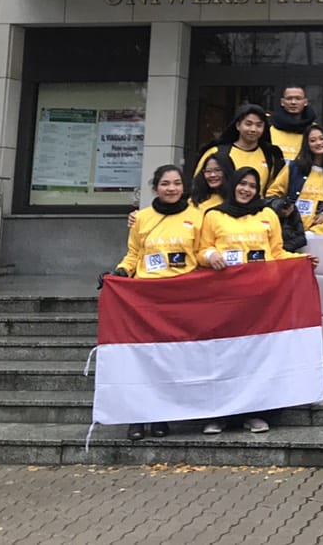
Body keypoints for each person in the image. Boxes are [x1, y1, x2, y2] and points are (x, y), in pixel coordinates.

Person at [198, 166, 317, 435]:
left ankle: (256, 413)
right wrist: (209, 256)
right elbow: (200, 250)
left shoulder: (267, 215)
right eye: (242, 184)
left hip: (261, 300)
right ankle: (220, 415)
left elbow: (276, 252)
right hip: (225, 299)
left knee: (256, 357)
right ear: (233, 185)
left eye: (252, 186)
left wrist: (302, 261)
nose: (246, 190)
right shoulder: (214, 216)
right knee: (225, 357)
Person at [112, 164, 202, 441]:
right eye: (165, 184)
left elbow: (201, 255)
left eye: (176, 183)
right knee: (143, 360)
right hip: (145, 298)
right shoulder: (142, 218)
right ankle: (137, 418)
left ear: (183, 187)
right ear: (155, 188)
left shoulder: (198, 218)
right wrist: (120, 272)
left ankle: (163, 417)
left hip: (180, 298)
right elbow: (133, 254)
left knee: (170, 360)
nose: (171, 188)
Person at [265, 124, 323, 232]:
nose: (318, 143)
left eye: (322, 139)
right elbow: (272, 193)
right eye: (313, 140)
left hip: (316, 235)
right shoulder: (293, 168)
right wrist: (281, 207)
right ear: (307, 145)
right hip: (288, 230)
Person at [195, 104, 284, 193]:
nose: (253, 129)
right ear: (238, 125)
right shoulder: (216, 152)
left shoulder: (270, 156)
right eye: (248, 124)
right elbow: (198, 188)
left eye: (259, 125)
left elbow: (272, 192)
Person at [267, 85, 317, 161]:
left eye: (298, 98)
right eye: (289, 98)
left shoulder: (315, 130)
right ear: (282, 102)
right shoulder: (269, 128)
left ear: (305, 102)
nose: (293, 102)